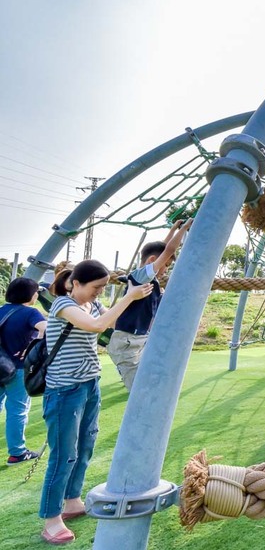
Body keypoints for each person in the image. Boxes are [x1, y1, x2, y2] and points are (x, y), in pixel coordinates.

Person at [39, 261, 152, 545]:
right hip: (64, 389)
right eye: (96, 288)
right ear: (75, 283)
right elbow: (98, 327)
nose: (99, 293)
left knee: (85, 446)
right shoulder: (63, 306)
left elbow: (110, 320)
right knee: (64, 453)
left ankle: (72, 500)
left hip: (89, 384)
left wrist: (140, 286)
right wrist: (128, 296)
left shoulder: (92, 305)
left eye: (103, 288)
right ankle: (51, 519)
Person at [107, 219, 192, 391]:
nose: (166, 269)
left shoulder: (150, 281)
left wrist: (174, 229)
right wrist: (184, 228)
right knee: (139, 389)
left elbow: (162, 248)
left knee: (148, 380)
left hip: (140, 339)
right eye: (166, 265)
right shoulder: (139, 276)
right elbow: (167, 250)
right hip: (127, 341)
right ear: (153, 261)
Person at [0, 278, 47, 465]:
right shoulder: (30, 313)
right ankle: (17, 453)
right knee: (17, 410)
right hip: (17, 369)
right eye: (36, 291)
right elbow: (46, 330)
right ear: (30, 294)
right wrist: (33, 349)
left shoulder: (2, 310)